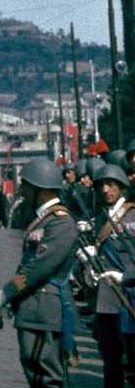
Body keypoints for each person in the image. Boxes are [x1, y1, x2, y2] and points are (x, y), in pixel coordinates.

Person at [0, 158, 78, 388]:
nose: (22, 191)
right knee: (35, 371)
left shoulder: (60, 222)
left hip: (45, 308)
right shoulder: (44, 219)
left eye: (26, 186)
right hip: (34, 307)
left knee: (45, 373)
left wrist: (9, 292)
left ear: (40, 190)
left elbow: (41, 267)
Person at [86, 164, 135, 388]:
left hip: (130, 295)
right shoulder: (100, 218)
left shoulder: (131, 215)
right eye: (101, 186)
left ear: (121, 187)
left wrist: (125, 276)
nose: (105, 190)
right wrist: (90, 270)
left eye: (110, 184)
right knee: (109, 356)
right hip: (107, 297)